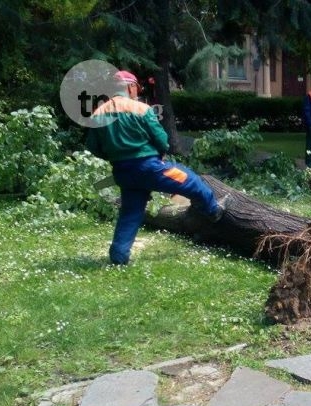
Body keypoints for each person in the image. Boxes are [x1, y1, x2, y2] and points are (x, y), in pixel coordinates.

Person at [86, 70, 229, 266]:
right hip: (150, 167)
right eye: (137, 87)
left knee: (130, 212)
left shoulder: (97, 114)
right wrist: (161, 153)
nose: (138, 91)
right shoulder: (141, 109)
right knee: (189, 179)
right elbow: (161, 139)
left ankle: (118, 256)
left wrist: (115, 157)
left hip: (123, 172)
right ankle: (213, 210)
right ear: (130, 87)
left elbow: (94, 147)